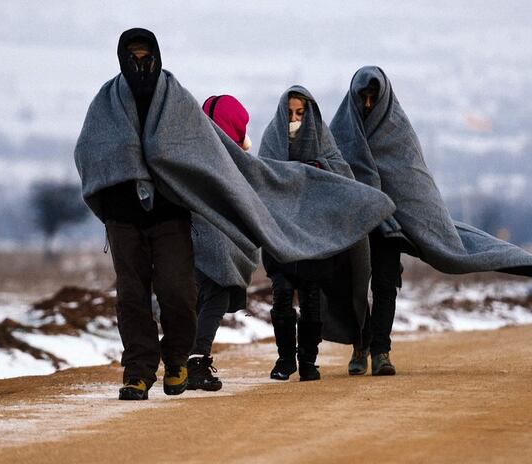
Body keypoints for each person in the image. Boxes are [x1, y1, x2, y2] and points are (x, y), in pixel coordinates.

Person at [75, 30, 395, 400]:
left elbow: (209, 152)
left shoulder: (174, 100)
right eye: (133, 57)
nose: (140, 64)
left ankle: (178, 360)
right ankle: (138, 372)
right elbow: (91, 151)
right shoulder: (107, 102)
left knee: (177, 293)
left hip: (170, 214)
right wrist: (118, 182)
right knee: (131, 296)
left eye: (146, 56)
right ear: (121, 58)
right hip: (124, 217)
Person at [329, 66, 532, 377]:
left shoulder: (398, 134)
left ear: (384, 98)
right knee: (355, 288)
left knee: (386, 286)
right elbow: (331, 178)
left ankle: (381, 352)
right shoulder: (342, 131)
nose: (369, 105)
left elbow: (414, 184)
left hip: (391, 227)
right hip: (357, 226)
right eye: (364, 98)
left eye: (374, 97)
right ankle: (360, 347)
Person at [258, 86, 353, 382]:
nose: (295, 119)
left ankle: (309, 361)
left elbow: (341, 176)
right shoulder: (272, 141)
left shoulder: (323, 140)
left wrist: (316, 170)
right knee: (282, 296)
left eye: (300, 113)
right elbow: (263, 179)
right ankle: (285, 359)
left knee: (312, 300)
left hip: (315, 238)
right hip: (281, 236)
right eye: (290, 114)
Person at [188, 94, 258, 392]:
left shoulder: (193, 148)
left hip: (190, 239)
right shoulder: (231, 159)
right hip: (216, 241)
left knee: (200, 298)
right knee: (215, 296)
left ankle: (185, 360)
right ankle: (197, 361)